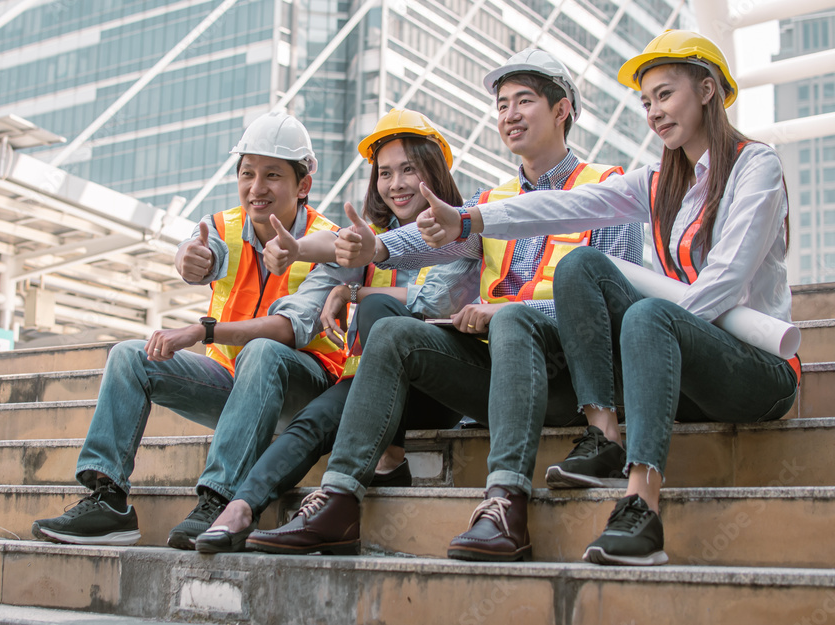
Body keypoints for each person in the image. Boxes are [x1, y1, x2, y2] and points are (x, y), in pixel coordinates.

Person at [415, 30, 800, 565]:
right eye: (646, 102)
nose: (654, 112)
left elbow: (728, 277)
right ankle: (602, 433)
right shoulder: (659, 179)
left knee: (646, 316)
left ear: (708, 89)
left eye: (665, 95)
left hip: (757, 371)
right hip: (685, 366)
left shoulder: (754, 166)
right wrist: (471, 218)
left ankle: (640, 508)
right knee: (580, 265)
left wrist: (651, 333)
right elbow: (565, 207)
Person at [245, 50, 644, 557]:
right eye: (501, 105)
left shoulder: (610, 189)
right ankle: (341, 499)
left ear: (562, 109)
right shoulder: (491, 202)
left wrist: (508, 312)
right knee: (390, 332)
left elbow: (612, 312)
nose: (510, 114)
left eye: (524, 101)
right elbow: (433, 239)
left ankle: (505, 506)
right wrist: (378, 248)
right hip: (499, 374)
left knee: (515, 317)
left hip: (570, 380)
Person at [31, 111, 347, 547]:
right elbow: (201, 251)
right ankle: (108, 500)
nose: (257, 188)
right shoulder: (223, 227)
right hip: (237, 388)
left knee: (263, 351)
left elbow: (290, 330)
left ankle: (219, 498)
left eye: (273, 175)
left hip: (305, 393)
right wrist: (188, 259)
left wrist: (203, 332)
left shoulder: (330, 241)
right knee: (129, 356)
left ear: (303, 185)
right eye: (247, 173)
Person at [193, 109, 480, 553]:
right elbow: (330, 260)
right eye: (385, 173)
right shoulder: (364, 237)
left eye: (409, 169)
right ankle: (241, 508)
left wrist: (355, 294)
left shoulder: (462, 228)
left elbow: (436, 301)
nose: (396, 183)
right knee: (317, 419)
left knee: (382, 309)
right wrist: (299, 251)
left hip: (438, 389)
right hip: (373, 385)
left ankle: (377, 466)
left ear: (435, 172)